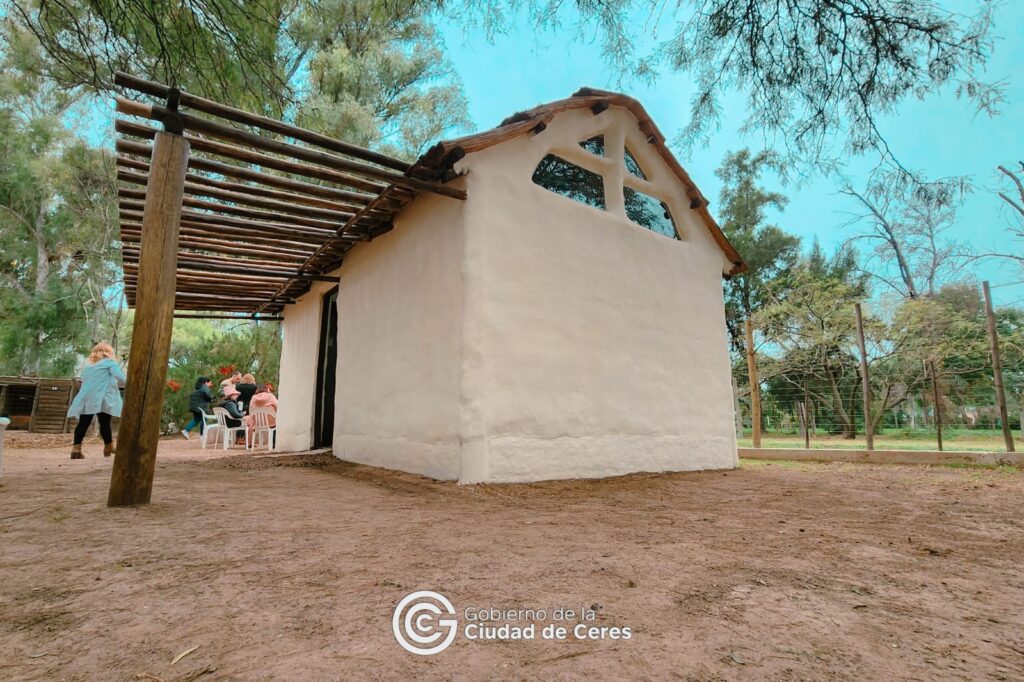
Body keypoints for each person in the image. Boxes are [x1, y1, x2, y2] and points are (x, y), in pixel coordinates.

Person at [67, 342, 126, 459]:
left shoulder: (88, 366)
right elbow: (121, 378)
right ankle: (108, 446)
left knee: (83, 423)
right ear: (109, 353)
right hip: (102, 396)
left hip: (86, 396)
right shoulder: (110, 363)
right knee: (104, 422)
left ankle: (76, 448)